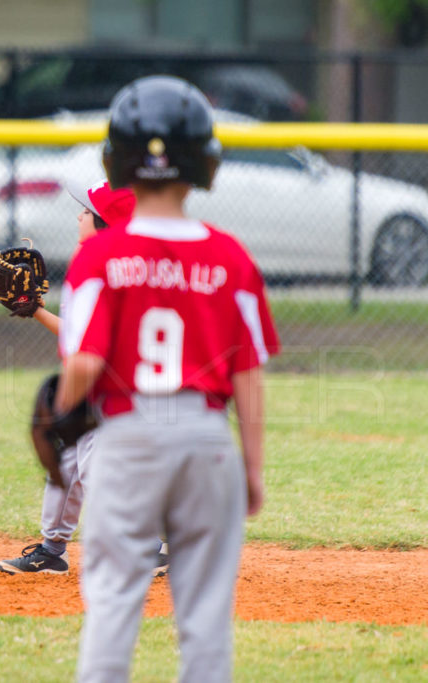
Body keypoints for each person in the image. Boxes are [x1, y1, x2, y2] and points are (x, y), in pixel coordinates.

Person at [57, 75, 279, 681]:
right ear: (204, 161)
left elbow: (85, 365)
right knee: (205, 614)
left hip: (128, 439)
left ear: (119, 160)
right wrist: (252, 468)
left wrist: (59, 415)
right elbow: (248, 377)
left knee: (113, 601)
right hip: (208, 440)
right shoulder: (231, 256)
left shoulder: (97, 259)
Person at [0, 180, 175, 576]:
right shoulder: (94, 260)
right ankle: (51, 549)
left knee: (96, 468)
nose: (79, 215)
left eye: (87, 212)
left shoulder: (109, 271)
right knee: (67, 464)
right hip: (93, 380)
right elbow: (78, 331)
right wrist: (37, 310)